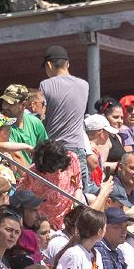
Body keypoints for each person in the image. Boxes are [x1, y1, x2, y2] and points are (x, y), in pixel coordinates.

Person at [38, 46, 91, 184]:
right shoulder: (84, 85)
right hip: (78, 148)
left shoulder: (45, 85)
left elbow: (41, 115)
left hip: (54, 151)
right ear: (68, 64)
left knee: (56, 193)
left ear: (49, 65)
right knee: (81, 192)